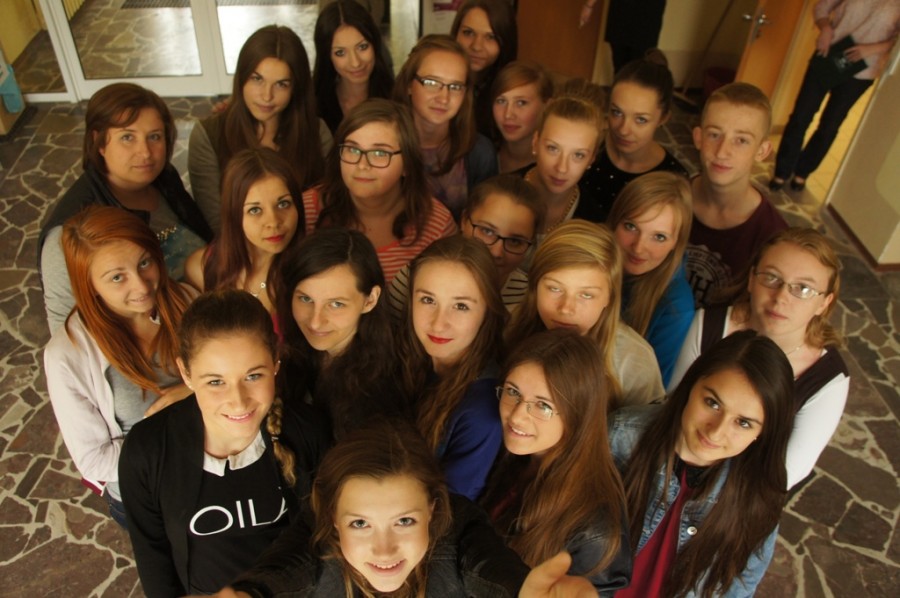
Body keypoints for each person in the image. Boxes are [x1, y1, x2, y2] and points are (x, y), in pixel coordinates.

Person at [213, 420, 598, 597]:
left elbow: (491, 568)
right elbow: (281, 572)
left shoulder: (460, 530)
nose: (384, 550)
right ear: (332, 518)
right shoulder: (316, 534)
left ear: (432, 510)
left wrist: (524, 592)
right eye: (360, 524)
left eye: (404, 521)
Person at [119, 289, 329, 597]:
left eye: (253, 376)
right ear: (186, 374)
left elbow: (322, 539)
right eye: (216, 382)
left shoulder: (308, 431)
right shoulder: (147, 450)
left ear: (275, 362)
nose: (238, 401)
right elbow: (154, 561)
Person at [610, 331, 796, 598]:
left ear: (763, 432)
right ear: (691, 386)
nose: (716, 432)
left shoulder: (760, 489)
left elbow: (742, 583)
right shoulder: (619, 437)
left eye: (743, 423)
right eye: (712, 403)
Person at [44, 206, 194, 527]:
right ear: (89, 284)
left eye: (144, 263)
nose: (141, 286)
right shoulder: (66, 355)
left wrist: (194, 390)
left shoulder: (187, 301)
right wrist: (184, 446)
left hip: (213, 475)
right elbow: (94, 460)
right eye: (117, 277)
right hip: (149, 499)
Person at [669, 227, 849, 489]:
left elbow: (787, 472)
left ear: (824, 303)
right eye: (772, 278)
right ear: (752, 279)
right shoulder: (709, 325)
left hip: (745, 490)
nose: (781, 298)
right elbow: (672, 404)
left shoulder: (827, 378)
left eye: (803, 289)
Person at [39, 83, 212, 332]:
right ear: (99, 142)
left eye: (154, 136)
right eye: (127, 137)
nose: (145, 152)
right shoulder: (68, 232)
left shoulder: (163, 178)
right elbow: (66, 330)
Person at [482, 329, 632, 594]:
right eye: (513, 392)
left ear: (578, 415)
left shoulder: (595, 530)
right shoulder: (509, 456)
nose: (516, 416)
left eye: (543, 406)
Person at [506, 219, 664, 407]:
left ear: (609, 297)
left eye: (586, 295)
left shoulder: (633, 362)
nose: (566, 308)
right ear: (535, 286)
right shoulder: (506, 325)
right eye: (554, 289)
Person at [189, 25, 330, 232]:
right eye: (257, 79)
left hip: (310, 246)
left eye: (281, 84)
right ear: (242, 77)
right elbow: (218, 225)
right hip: (238, 249)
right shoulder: (208, 136)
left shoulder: (317, 132)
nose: (266, 96)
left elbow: (331, 210)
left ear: (296, 88)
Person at [303, 98, 457, 286]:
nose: (362, 165)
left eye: (379, 153)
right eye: (352, 149)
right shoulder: (306, 209)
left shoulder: (437, 226)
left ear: (407, 165)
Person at [399, 236, 507, 500]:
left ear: (487, 311)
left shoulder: (482, 411)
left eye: (461, 306)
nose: (438, 323)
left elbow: (451, 508)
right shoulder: (405, 359)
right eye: (427, 300)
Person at [276, 228, 404, 440]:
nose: (315, 321)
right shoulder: (296, 353)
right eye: (305, 299)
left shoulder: (380, 395)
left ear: (370, 300)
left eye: (336, 304)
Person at [770, 0, 899, 191]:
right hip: (829, 54)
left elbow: (897, 40)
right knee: (801, 116)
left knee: (830, 126)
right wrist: (825, 29)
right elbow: (821, 7)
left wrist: (872, 48)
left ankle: (803, 171)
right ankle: (782, 171)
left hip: (863, 70)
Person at [684, 82, 788, 307]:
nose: (722, 151)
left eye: (741, 140)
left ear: (762, 151)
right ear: (698, 138)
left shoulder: (772, 236)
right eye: (714, 135)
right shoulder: (670, 198)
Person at [388, 174, 545, 315]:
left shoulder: (528, 298)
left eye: (515, 241)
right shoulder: (412, 279)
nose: (497, 252)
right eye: (487, 231)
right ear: (463, 221)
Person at [184, 148, 303, 317]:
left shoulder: (311, 272)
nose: (273, 222)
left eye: (283, 204)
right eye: (255, 210)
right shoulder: (201, 269)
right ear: (233, 214)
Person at [574, 51, 689, 224]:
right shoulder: (586, 151)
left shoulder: (674, 177)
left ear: (663, 118)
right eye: (617, 112)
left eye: (641, 119)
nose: (623, 130)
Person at [393, 34, 498, 221]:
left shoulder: (480, 152)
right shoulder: (382, 141)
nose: (443, 98)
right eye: (432, 83)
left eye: (455, 87)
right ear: (409, 84)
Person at [607, 172, 694, 387]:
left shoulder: (676, 306)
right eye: (631, 227)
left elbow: (649, 391)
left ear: (676, 243)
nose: (638, 247)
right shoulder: (591, 255)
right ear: (614, 222)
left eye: (659, 237)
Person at [520, 92, 604, 239]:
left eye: (578, 155)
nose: (561, 168)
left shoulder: (595, 223)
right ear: (535, 143)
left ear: (591, 159)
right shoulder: (497, 193)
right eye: (553, 148)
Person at [313, 0, 395, 134]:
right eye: (340, 52)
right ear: (327, 56)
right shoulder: (315, 107)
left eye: (362, 47)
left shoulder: (396, 99)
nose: (355, 63)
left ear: (375, 44)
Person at [450, 0, 519, 137]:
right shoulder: (436, 77)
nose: (476, 46)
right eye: (468, 33)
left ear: (506, 42)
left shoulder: (511, 91)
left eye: (490, 37)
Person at [491, 61, 554, 173]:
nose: (508, 114)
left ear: (547, 106)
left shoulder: (555, 168)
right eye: (501, 101)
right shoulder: (481, 152)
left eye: (521, 103)